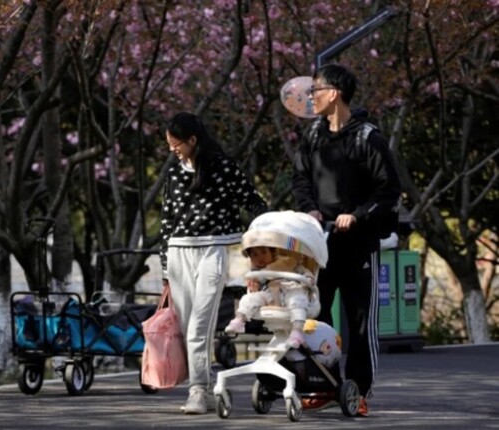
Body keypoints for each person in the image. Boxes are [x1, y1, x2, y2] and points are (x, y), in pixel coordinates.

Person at [291, 64, 401, 416]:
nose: (311, 97)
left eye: (316, 91)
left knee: (359, 323)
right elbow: (300, 178)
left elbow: (388, 190)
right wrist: (309, 209)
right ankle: (323, 385)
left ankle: (358, 390)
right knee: (315, 318)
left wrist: (358, 214)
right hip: (320, 245)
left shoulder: (368, 138)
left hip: (359, 245)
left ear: (334, 93)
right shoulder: (312, 136)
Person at [159, 112, 267, 415]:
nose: (172, 150)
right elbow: (166, 223)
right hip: (179, 252)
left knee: (198, 326)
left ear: (193, 140)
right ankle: (203, 390)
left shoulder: (224, 168)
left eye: (176, 144)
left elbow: (253, 201)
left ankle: (198, 391)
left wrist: (267, 233)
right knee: (185, 326)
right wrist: (165, 268)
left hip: (214, 250)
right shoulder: (174, 173)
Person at [224, 246, 315, 348]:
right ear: (250, 258)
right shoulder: (258, 273)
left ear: (272, 252)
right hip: (270, 296)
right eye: (255, 255)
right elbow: (254, 287)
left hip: (289, 289)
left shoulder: (288, 262)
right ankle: (239, 320)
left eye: (264, 252)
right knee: (249, 298)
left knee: (297, 299)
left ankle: (297, 332)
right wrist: (254, 286)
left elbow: (304, 272)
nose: (260, 257)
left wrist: (308, 278)